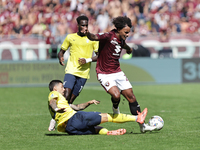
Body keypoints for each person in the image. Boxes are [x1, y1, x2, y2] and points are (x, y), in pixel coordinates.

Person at [86, 16, 156, 132]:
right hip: (104, 73)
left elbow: (122, 44)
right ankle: (115, 107)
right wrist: (87, 32)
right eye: (126, 32)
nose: (128, 34)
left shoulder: (121, 37)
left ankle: (142, 127)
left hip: (117, 72)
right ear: (118, 29)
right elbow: (94, 37)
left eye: (129, 32)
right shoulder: (108, 36)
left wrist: (129, 49)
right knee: (116, 95)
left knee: (131, 97)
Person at [48, 15, 98, 131]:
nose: (85, 27)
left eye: (86, 25)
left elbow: (99, 55)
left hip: (84, 73)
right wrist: (60, 57)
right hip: (71, 70)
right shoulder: (70, 37)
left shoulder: (93, 39)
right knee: (66, 95)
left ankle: (64, 120)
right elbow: (61, 52)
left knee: (70, 101)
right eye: (82, 25)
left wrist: (88, 60)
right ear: (78, 25)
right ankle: (54, 118)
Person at [48, 79, 150, 135]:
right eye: (62, 87)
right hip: (76, 118)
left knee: (96, 129)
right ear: (55, 88)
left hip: (70, 129)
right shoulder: (53, 94)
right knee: (108, 116)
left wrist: (89, 102)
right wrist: (56, 109)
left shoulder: (62, 102)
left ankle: (109, 133)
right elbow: (52, 102)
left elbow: (78, 107)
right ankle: (137, 118)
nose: (64, 89)